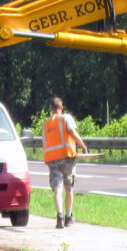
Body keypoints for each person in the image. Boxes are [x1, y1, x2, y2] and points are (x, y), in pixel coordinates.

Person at [42, 97, 88, 228]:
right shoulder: (65, 118)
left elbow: (44, 143)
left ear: (51, 109)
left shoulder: (45, 124)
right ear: (61, 108)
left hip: (52, 160)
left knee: (57, 189)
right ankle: (68, 217)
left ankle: (59, 217)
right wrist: (83, 147)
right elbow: (73, 133)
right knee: (69, 188)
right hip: (67, 158)